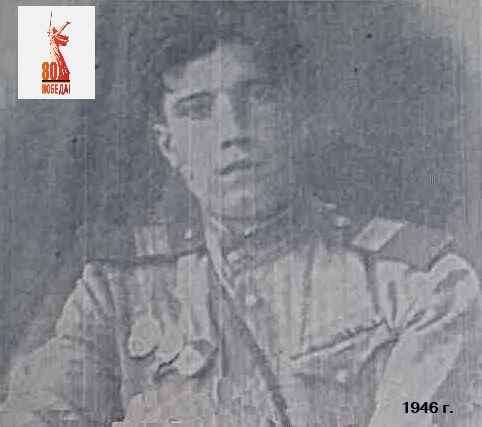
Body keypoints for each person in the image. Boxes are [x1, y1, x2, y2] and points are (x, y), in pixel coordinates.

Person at [1, 4, 481, 426]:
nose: (233, 131)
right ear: (168, 145)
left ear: (298, 114)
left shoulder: (419, 286)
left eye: (257, 96)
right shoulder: (114, 293)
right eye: (197, 110)